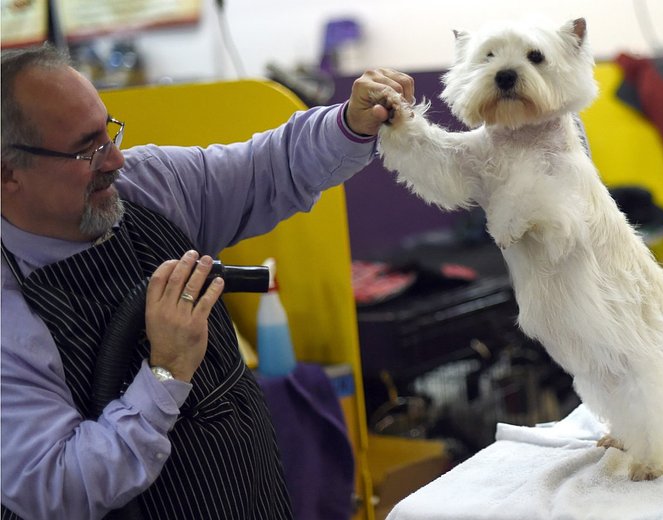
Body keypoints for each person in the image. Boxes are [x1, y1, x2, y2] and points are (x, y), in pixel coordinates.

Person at [0, 43, 414, 520]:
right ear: (9, 174)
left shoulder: (146, 186)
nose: (114, 159)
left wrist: (347, 123)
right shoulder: (12, 315)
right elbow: (58, 489)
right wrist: (166, 371)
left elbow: (269, 167)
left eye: (108, 132)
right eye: (84, 151)